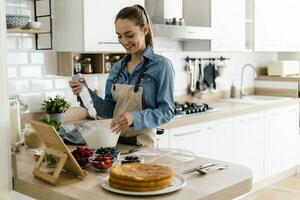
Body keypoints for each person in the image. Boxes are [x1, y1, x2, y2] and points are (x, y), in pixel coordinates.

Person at [69, 4, 175, 148]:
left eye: (129, 35)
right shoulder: (117, 68)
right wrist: (85, 92)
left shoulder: (161, 65)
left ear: (145, 29)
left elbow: (167, 111)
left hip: (142, 146)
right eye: (119, 36)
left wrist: (134, 117)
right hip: (114, 143)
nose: (124, 41)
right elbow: (108, 111)